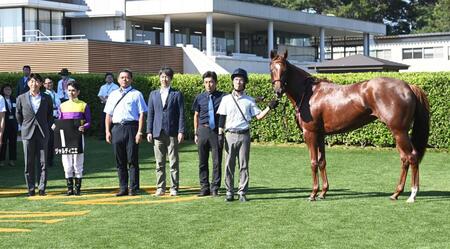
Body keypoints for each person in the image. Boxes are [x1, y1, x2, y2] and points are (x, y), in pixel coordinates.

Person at [217, 68, 278, 202]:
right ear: (232, 82)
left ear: (245, 82)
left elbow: (259, 116)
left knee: (243, 165)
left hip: (244, 135)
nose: (238, 82)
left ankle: (242, 192)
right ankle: (229, 191)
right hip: (230, 134)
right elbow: (222, 118)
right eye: (236, 79)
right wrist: (220, 135)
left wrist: (269, 107)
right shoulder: (226, 99)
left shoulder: (249, 100)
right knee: (228, 165)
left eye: (241, 79)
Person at [104, 69, 147, 196]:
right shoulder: (113, 94)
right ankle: (123, 187)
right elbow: (108, 114)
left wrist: (140, 132)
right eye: (122, 77)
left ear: (131, 79)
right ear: (118, 80)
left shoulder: (137, 94)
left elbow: (142, 114)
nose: (124, 79)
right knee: (120, 160)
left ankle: (133, 187)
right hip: (117, 128)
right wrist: (107, 131)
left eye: (127, 77)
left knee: (132, 158)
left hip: (131, 128)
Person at [147, 67, 185, 197]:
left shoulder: (177, 94)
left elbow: (181, 114)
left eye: (167, 77)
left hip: (172, 132)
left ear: (171, 79)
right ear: (159, 78)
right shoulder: (153, 94)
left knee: (173, 162)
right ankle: (160, 188)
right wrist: (149, 131)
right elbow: (150, 114)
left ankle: (174, 187)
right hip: (157, 132)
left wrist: (181, 131)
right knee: (159, 162)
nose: (165, 79)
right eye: (162, 77)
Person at [16, 73, 54, 196]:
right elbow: (18, 115)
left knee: (43, 162)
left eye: (37, 81)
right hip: (27, 133)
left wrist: (46, 126)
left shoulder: (46, 98)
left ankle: (42, 188)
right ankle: (30, 189)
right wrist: (25, 126)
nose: (34, 84)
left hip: (43, 133)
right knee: (29, 162)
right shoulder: (21, 98)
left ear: (41, 84)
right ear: (28, 83)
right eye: (32, 81)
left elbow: (49, 115)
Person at [192, 71, 225, 196]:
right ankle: (204, 187)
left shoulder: (223, 97)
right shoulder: (199, 97)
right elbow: (196, 115)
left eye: (211, 82)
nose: (209, 85)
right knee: (202, 161)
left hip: (216, 131)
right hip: (202, 131)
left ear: (215, 83)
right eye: (206, 82)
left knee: (217, 161)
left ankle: (215, 187)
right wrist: (196, 133)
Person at [58, 81, 91, 195]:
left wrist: (84, 127)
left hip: (78, 138)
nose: (71, 93)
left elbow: (88, 121)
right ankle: (69, 188)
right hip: (65, 139)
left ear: (78, 92)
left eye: (73, 90)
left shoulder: (83, 105)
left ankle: (77, 188)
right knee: (66, 163)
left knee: (78, 162)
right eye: (69, 90)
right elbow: (59, 122)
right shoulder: (62, 106)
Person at [43, 78, 61, 167]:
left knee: (54, 139)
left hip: (57, 118)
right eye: (47, 83)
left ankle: (51, 159)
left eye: (51, 83)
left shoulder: (56, 94)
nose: (49, 84)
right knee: (49, 139)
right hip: (48, 119)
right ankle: (47, 160)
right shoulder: (44, 95)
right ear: (44, 85)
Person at [0, 84, 18, 167]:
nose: (8, 91)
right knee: (3, 142)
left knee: (13, 142)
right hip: (5, 123)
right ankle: (2, 160)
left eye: (9, 89)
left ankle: (12, 160)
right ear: (3, 90)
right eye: (6, 89)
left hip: (13, 124)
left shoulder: (14, 99)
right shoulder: (1, 99)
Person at [97, 73, 119, 140]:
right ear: (105, 79)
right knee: (103, 120)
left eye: (110, 77)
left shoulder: (116, 87)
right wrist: (105, 101)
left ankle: (112, 135)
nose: (109, 78)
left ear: (113, 78)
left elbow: (117, 96)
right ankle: (102, 136)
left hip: (113, 105)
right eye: (108, 77)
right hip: (104, 104)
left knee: (112, 120)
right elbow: (100, 95)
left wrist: (109, 101)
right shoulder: (103, 87)